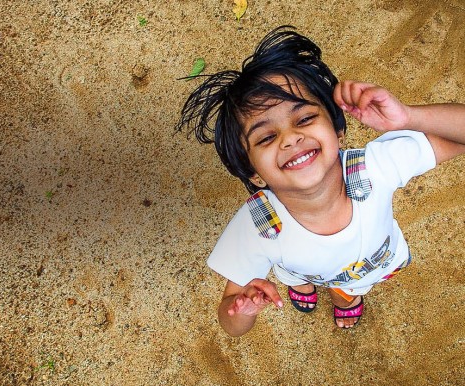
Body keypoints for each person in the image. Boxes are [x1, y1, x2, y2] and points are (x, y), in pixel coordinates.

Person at [176, 26, 465, 336]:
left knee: (348, 288)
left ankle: (343, 297)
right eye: (267, 137)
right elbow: (230, 321)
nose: (291, 138)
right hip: (296, 266)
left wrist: (407, 117)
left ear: (338, 130)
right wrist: (243, 308)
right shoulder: (255, 228)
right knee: (296, 275)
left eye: (304, 119)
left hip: (367, 267)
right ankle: (303, 284)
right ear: (253, 172)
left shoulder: (376, 167)